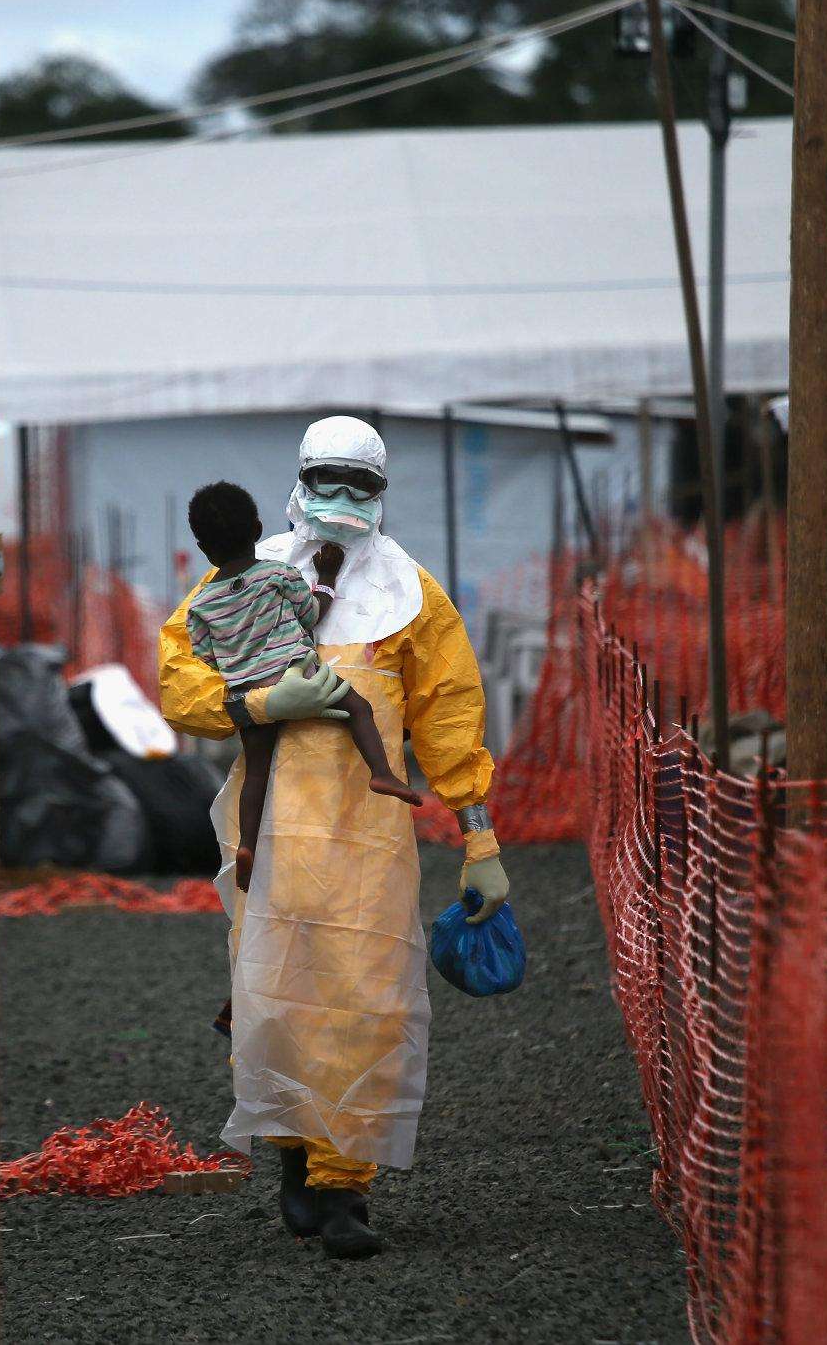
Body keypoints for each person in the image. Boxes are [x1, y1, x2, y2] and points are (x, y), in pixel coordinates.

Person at [159, 415, 511, 1260]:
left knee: (365, 1000)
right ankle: (291, 1150)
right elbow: (180, 681)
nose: (343, 500)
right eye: (330, 480)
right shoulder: (239, 580)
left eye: (362, 485)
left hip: (367, 842)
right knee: (276, 996)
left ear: (383, 493)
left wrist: (479, 837)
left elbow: (451, 717)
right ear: (300, 479)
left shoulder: (412, 596)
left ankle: (343, 1186)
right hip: (269, 834)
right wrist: (251, 707)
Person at [183, 482, 423, 892]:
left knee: (256, 771)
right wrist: (327, 575)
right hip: (300, 674)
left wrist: (242, 660)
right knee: (358, 708)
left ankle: (247, 845)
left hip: (251, 696)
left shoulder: (201, 604)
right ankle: (382, 772)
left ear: (204, 548)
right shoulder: (278, 575)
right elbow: (312, 614)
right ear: (258, 529)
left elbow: (203, 656)